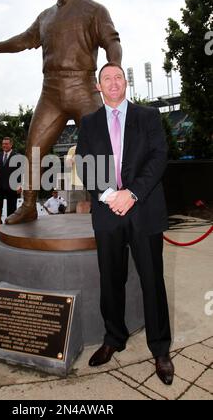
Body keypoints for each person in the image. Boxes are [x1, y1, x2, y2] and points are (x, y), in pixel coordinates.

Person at [0, 0, 122, 225]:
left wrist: (113, 72)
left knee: (99, 150)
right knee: (33, 147)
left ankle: (106, 205)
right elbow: (22, 40)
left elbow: (112, 42)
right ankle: (29, 205)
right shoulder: (45, 17)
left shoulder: (94, 10)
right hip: (51, 90)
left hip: (84, 87)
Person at [76, 63, 174, 386]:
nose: (114, 82)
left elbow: (159, 157)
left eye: (118, 77)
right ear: (98, 86)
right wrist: (108, 196)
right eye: (107, 78)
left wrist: (131, 194)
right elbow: (83, 163)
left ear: (126, 83)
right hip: (107, 212)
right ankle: (113, 338)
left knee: (152, 281)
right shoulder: (89, 123)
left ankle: (160, 349)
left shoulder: (148, 116)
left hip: (143, 209)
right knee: (111, 280)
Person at [0, 137, 22, 226]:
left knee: (12, 205)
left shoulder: (17, 156)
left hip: (12, 185)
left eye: (6, 144)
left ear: (11, 144)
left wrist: (19, 185)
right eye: (3, 144)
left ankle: (10, 222)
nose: (4, 145)